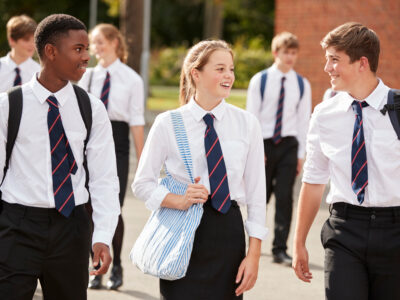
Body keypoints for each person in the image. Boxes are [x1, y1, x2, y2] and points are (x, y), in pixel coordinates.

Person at [132, 40, 268, 300]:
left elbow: (256, 195)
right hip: (182, 230)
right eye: (220, 69)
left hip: (228, 230)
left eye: (231, 69)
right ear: (196, 73)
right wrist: (178, 200)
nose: (228, 75)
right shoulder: (168, 123)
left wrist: (254, 255)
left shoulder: (247, 124)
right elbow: (142, 183)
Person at [0, 14, 120, 300]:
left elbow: (104, 178)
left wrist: (102, 234)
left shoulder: (91, 108)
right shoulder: (9, 105)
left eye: (87, 49)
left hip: (72, 226)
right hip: (18, 226)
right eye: (78, 49)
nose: (86, 57)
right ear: (51, 52)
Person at [292, 22, 400, 300]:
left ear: (362, 62)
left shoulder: (397, 109)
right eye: (327, 59)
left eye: (335, 60)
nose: (327, 68)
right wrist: (299, 241)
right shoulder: (324, 114)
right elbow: (313, 180)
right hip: (344, 231)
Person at [79, 23, 145, 290]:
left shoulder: (131, 79)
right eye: (92, 44)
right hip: (89, 141)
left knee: (112, 208)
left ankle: (116, 265)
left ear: (115, 43)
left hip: (117, 143)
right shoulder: (88, 76)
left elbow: (137, 121)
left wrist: (143, 159)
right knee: (87, 208)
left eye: (100, 42)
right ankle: (96, 265)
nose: (96, 48)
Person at [246, 31, 311, 265]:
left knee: (285, 198)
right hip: (263, 143)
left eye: (294, 53)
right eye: (286, 52)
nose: (290, 57)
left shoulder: (302, 85)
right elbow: (251, 117)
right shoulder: (260, 81)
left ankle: (279, 248)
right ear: (276, 53)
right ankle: (252, 243)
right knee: (259, 197)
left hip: (288, 145)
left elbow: (304, 122)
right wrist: (255, 149)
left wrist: (301, 155)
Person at [0, 15, 40, 93]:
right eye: (26, 40)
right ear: (12, 40)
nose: (32, 45)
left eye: (34, 40)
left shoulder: (39, 73)